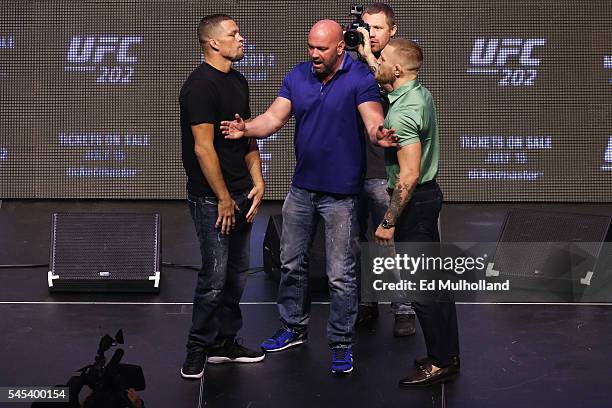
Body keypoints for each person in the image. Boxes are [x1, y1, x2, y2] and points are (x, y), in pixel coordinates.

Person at [221, 19, 396, 374]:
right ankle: (293, 327)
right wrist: (246, 129)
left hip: (342, 195)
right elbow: (273, 118)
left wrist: (380, 135)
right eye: (310, 47)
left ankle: (341, 343)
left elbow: (372, 120)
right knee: (291, 263)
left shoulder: (360, 79)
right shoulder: (298, 75)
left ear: (339, 49)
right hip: (301, 189)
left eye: (321, 49)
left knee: (340, 275)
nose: (314, 54)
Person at [178, 13, 265, 380]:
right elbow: (203, 149)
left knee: (236, 275)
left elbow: (245, 136)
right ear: (213, 42)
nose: (241, 38)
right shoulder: (200, 86)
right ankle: (198, 347)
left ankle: (224, 341)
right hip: (213, 199)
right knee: (214, 277)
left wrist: (257, 180)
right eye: (233, 34)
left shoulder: (239, 81)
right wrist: (224, 198)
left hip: (241, 193)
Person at [373, 38, 460, 386]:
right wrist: (369, 53)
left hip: (413, 203)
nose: (376, 62)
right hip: (427, 197)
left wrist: (388, 221)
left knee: (423, 291)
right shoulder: (417, 92)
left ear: (395, 69)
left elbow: (407, 175)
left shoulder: (402, 112)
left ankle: (440, 362)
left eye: (381, 59)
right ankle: (445, 355)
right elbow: (384, 73)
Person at [353, 2, 417, 337]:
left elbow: (393, 95)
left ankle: (403, 307)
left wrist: (369, 58)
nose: (370, 33)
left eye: (377, 28)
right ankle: (367, 301)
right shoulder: (348, 63)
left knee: (387, 241)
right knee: (356, 241)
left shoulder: (396, 64)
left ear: (392, 30)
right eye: (366, 26)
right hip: (352, 168)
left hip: (384, 170)